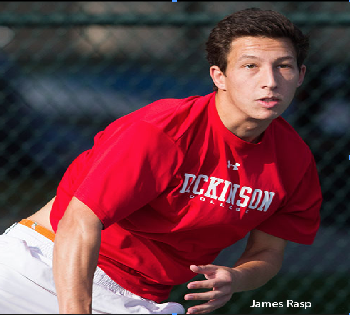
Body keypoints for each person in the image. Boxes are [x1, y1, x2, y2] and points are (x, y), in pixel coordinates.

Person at [0, 7, 322, 315]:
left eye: (283, 65)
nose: (270, 80)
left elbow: (267, 253)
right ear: (219, 75)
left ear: (300, 75)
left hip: (140, 297)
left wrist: (236, 278)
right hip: (42, 266)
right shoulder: (161, 130)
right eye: (250, 66)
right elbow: (79, 222)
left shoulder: (295, 162)